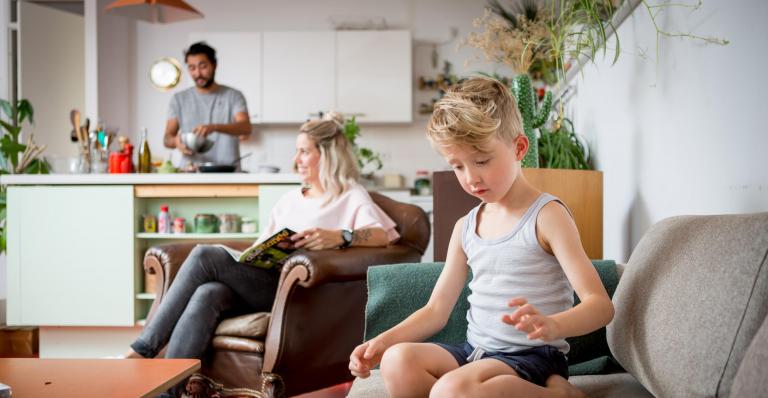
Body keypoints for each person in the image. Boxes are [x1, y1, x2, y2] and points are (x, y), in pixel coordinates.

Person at [348, 76, 614, 398]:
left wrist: (555, 325)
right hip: (476, 352)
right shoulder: (466, 227)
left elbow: (600, 306)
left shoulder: (547, 216)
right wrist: (381, 341)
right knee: (397, 361)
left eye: (482, 161)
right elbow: (436, 311)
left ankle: (561, 394)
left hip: (534, 357)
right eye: (458, 166)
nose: (471, 178)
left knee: (449, 390)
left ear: (519, 148)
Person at [126, 113, 399, 398]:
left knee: (205, 255)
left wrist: (341, 236)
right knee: (208, 292)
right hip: (262, 281)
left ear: (328, 154)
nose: (297, 160)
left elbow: (384, 235)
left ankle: (142, 350)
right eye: (297, 152)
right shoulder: (289, 200)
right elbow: (259, 246)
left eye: (305, 151)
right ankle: (167, 394)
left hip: (295, 294)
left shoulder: (350, 195)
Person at [164, 41, 252, 170]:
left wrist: (215, 127)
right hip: (191, 173)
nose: (198, 73)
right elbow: (167, 139)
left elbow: (246, 127)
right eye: (192, 68)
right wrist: (176, 141)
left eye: (203, 66)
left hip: (228, 174)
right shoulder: (178, 99)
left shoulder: (233, 96)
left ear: (214, 65)